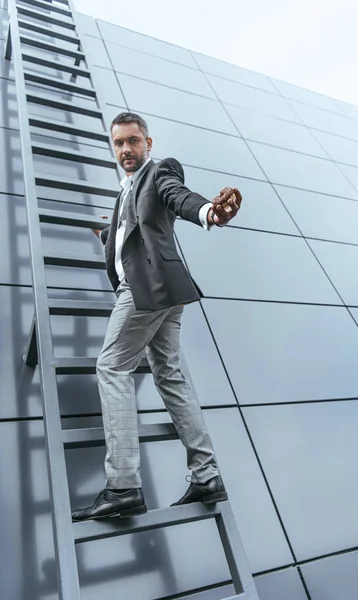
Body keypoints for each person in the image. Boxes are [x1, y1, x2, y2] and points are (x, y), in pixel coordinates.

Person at [72, 112, 242, 521]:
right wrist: (109, 235)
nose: (126, 150)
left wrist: (209, 213)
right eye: (119, 144)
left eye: (133, 141)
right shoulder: (123, 193)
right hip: (164, 290)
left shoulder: (158, 172)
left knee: (111, 366)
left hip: (146, 288)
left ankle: (123, 484)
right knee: (168, 373)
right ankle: (206, 476)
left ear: (149, 143)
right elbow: (135, 230)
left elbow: (176, 195)